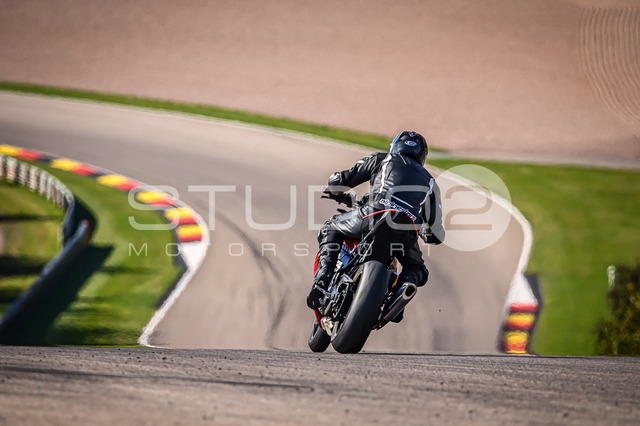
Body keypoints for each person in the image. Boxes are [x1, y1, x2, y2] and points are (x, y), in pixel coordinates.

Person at [307, 130, 445, 311]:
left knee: (330, 228)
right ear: (422, 156)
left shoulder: (382, 159)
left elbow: (340, 181)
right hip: (405, 229)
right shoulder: (431, 183)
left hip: (372, 214)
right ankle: (398, 298)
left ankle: (323, 278)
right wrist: (422, 230)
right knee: (417, 269)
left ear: (395, 146)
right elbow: (435, 234)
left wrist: (334, 188)